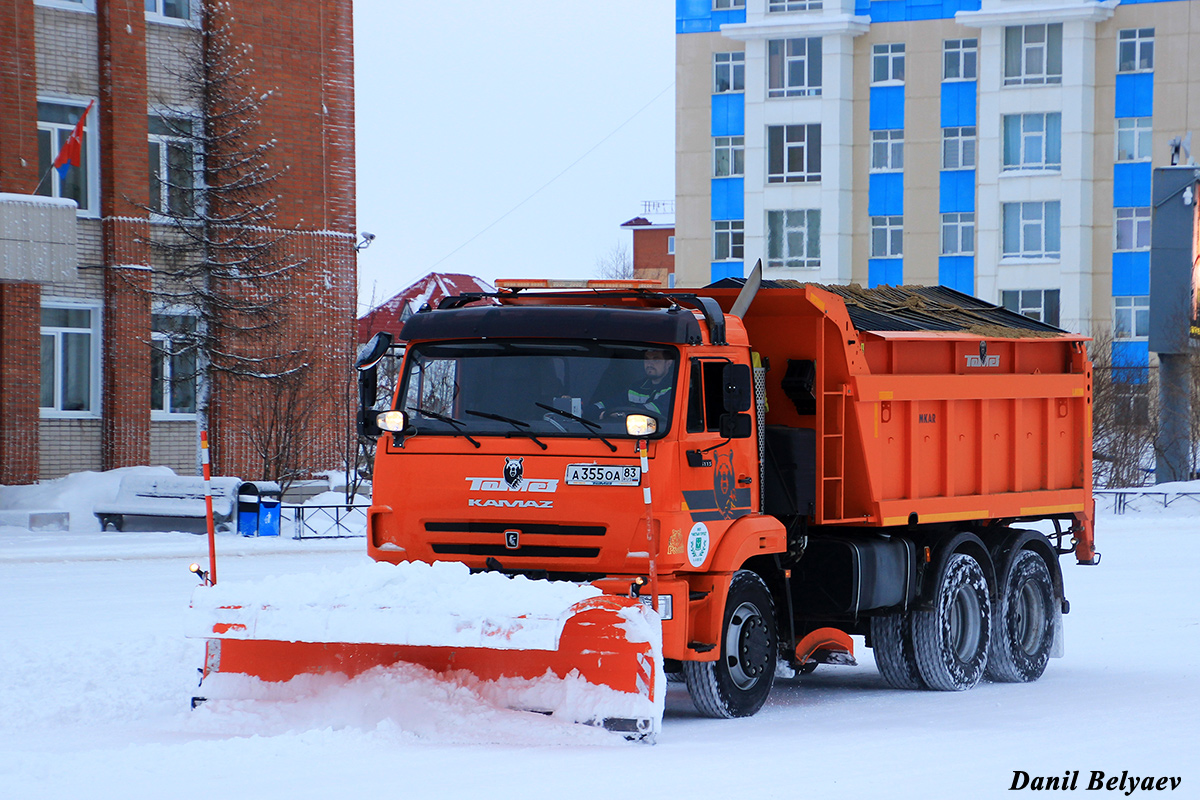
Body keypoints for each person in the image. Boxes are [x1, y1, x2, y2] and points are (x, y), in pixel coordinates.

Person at [597, 348, 674, 419]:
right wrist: (597, 412)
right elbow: (608, 403)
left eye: (656, 359)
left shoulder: (676, 387)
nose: (650, 364)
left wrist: (621, 414)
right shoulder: (636, 388)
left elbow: (654, 409)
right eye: (647, 359)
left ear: (668, 363)